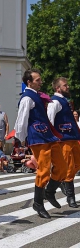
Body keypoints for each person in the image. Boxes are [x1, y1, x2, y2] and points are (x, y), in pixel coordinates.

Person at [14, 69, 67, 219]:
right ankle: (38, 202)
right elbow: (21, 120)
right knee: (43, 170)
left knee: (62, 166)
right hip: (37, 136)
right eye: (38, 80)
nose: (41, 82)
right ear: (29, 82)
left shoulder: (37, 96)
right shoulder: (27, 98)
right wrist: (22, 139)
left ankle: (49, 192)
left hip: (48, 136)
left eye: (40, 79)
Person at [47, 77, 80, 208]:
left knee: (77, 164)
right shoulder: (54, 102)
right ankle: (70, 197)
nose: (68, 87)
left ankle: (60, 182)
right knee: (69, 167)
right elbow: (49, 120)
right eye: (65, 85)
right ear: (57, 88)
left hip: (73, 138)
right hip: (63, 140)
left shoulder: (65, 101)